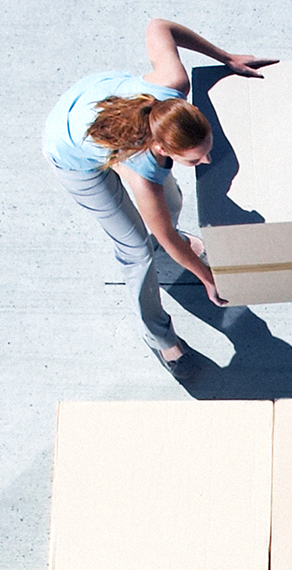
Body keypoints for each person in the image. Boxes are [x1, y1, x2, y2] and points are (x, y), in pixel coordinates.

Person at [43, 19, 277, 376]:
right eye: (194, 160)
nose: (206, 162)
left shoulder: (173, 86)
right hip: (70, 150)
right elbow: (165, 238)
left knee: (171, 203)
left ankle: (181, 245)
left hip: (93, 99)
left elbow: (159, 26)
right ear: (162, 149)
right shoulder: (142, 172)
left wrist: (226, 57)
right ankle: (160, 338)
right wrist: (206, 278)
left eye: (206, 150)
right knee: (137, 251)